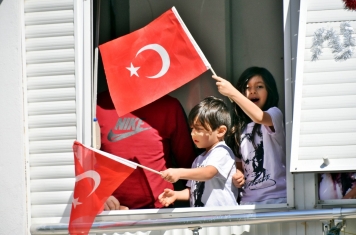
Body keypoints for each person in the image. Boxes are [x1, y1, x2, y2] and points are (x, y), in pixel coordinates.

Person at [96, 90, 197, 210]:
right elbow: (82, 161)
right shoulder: (96, 105)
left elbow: (190, 166)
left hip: (159, 211)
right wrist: (98, 195)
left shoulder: (169, 106)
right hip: (111, 212)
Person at [212, 66, 287, 205]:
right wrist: (238, 175)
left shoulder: (274, 114)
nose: (252, 91)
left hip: (278, 198)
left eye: (259, 86)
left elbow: (259, 117)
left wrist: (232, 93)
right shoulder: (238, 127)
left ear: (270, 91)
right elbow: (240, 165)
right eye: (247, 87)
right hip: (249, 200)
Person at [158, 96, 239, 207]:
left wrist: (179, 173)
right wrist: (176, 195)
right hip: (203, 221)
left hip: (222, 221)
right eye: (192, 129)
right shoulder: (199, 159)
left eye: (199, 129)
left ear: (220, 131)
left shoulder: (222, 151)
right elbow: (194, 191)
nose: (193, 133)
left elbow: (208, 173)